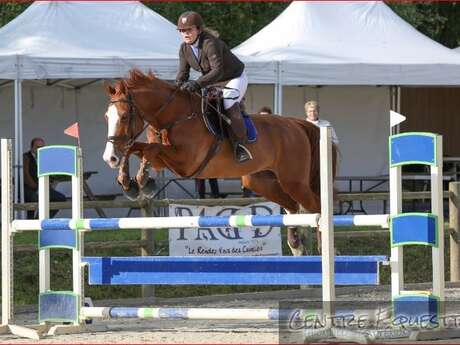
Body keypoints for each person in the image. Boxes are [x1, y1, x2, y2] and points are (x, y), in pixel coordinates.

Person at [175, 11, 252, 163]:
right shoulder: (184, 49)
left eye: (189, 30)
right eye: (182, 31)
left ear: (198, 29)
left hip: (234, 77)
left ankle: (241, 146)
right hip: (214, 81)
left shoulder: (210, 43)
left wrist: (196, 83)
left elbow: (218, 70)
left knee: (228, 101)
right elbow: (183, 73)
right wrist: (176, 88)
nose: (185, 34)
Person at [23, 137, 66, 219]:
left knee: (61, 198)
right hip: (28, 188)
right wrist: (36, 187)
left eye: (42, 148)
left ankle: (42, 219)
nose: (40, 149)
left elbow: (50, 172)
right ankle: (30, 220)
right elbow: (25, 175)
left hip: (42, 187)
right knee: (34, 198)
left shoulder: (45, 157)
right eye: (38, 147)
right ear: (31, 148)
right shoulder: (26, 157)